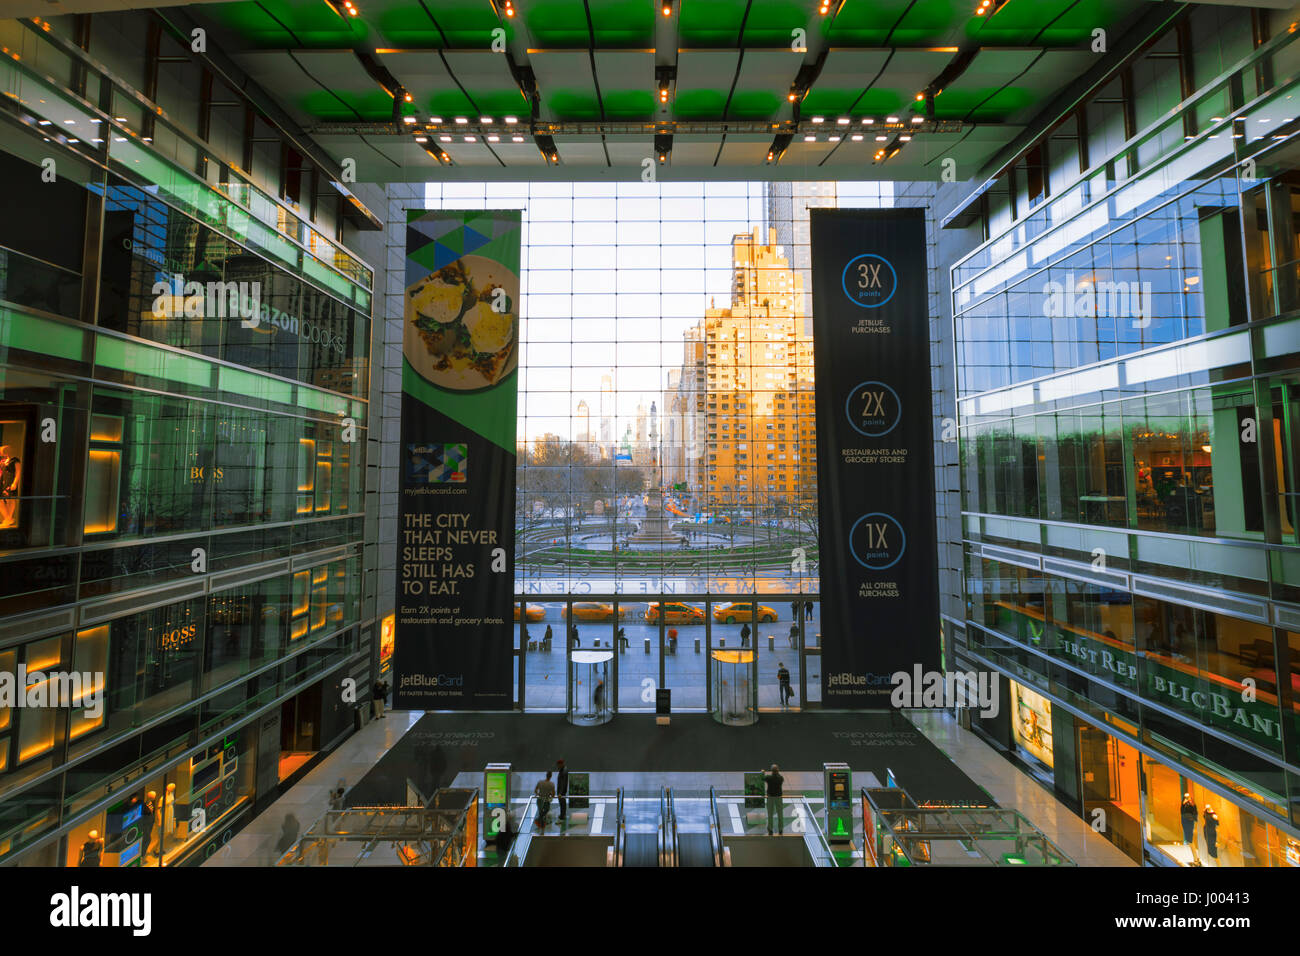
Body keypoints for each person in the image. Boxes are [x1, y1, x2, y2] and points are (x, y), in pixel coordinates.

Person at [0, 445, 20, 529]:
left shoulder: (15, 461)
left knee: (10, 500)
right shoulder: (4, 461)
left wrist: (15, 483)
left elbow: (18, 472)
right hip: (4, 481)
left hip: (11, 482)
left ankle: (8, 519)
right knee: (2, 500)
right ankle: (8, 518)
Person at [764, 764, 784, 836]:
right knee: (780, 814)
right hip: (778, 797)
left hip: (770, 798)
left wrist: (762, 772)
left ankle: (770, 829)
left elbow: (763, 778)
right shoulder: (781, 778)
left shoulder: (769, 778)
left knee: (770, 814)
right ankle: (780, 829)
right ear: (778, 770)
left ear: (771, 771)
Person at [556, 759, 569, 825]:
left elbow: (563, 783)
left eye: (558, 765)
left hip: (562, 791)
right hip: (561, 791)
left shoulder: (564, 771)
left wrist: (560, 793)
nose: (557, 766)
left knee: (562, 803)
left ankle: (562, 816)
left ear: (561, 764)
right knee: (562, 804)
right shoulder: (563, 770)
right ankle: (562, 814)